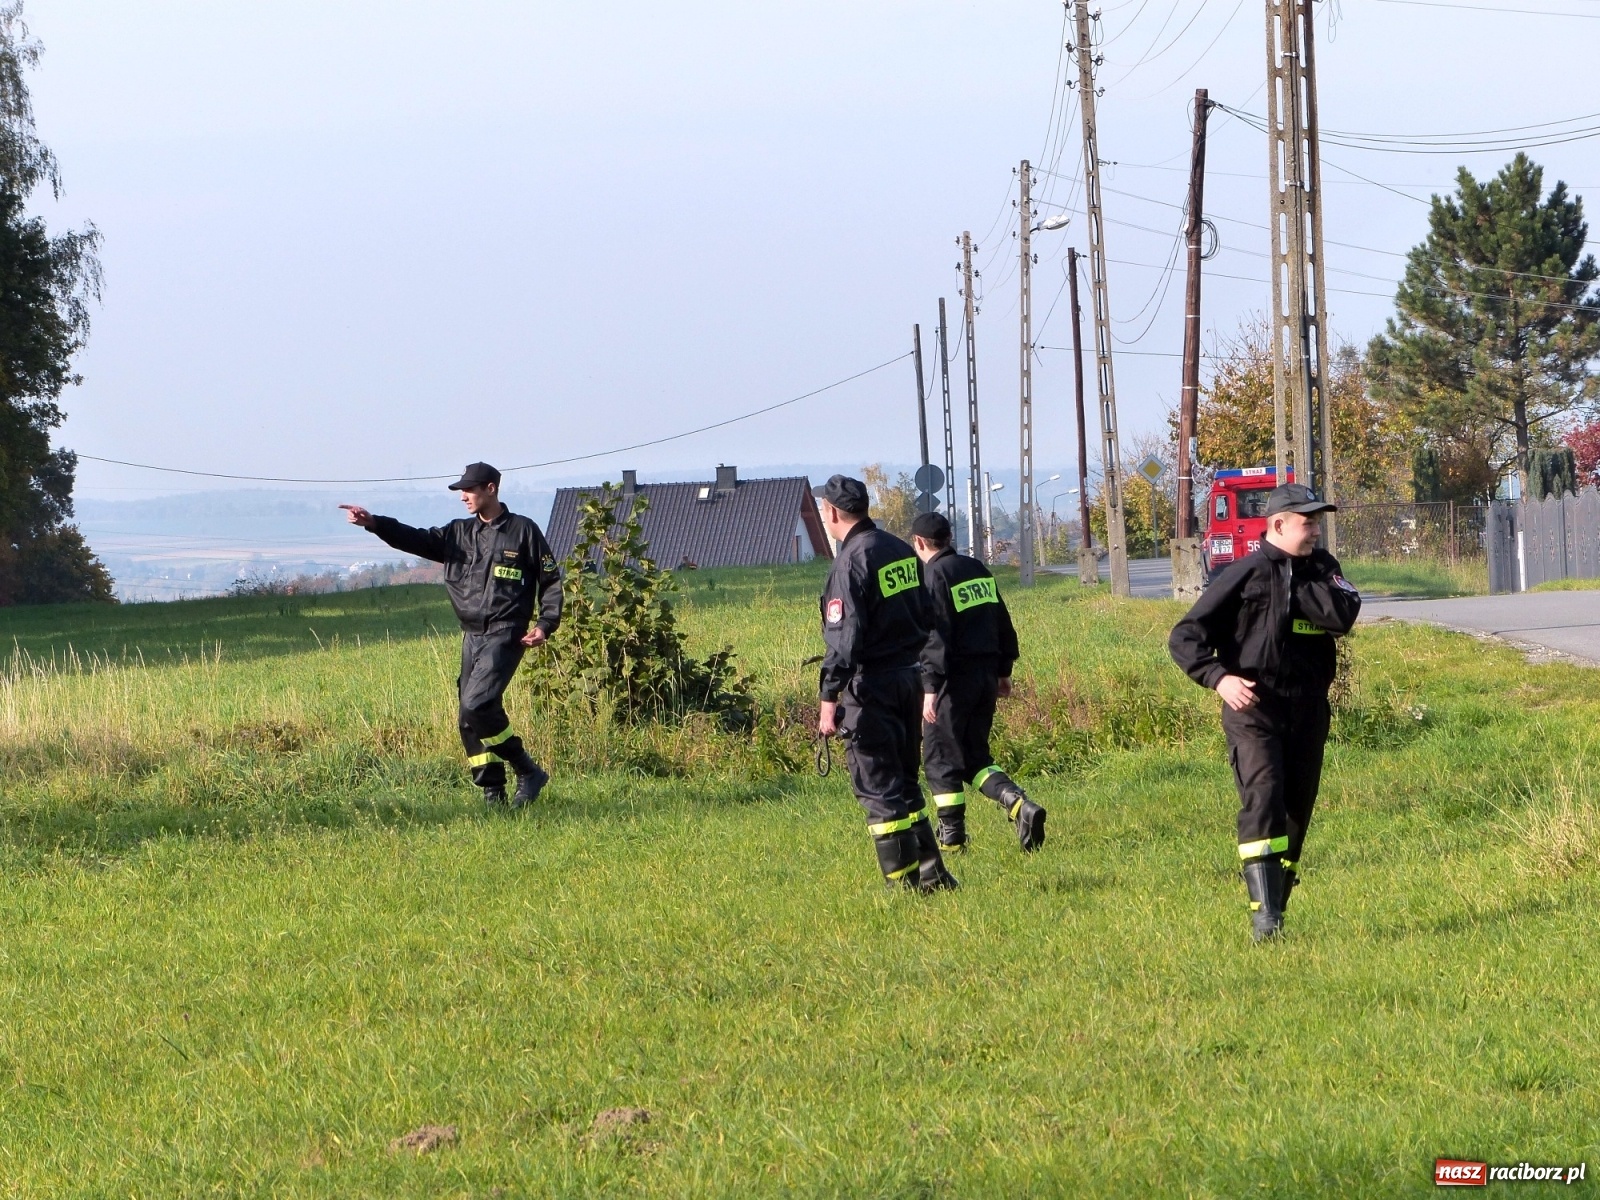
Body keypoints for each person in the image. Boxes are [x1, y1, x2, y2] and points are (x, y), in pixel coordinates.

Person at [1168, 483, 1362, 941]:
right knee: (1263, 796)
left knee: (1295, 810)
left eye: (1317, 522)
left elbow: (1341, 617)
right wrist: (1219, 678)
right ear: (1278, 524)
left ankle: (1278, 902)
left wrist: (1297, 578)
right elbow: (1185, 636)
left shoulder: (1323, 569)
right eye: (1307, 522)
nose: (1316, 530)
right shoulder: (1244, 573)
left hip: (1308, 710)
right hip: (1254, 708)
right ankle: (1265, 916)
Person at [341, 462, 563, 809]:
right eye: (462, 491)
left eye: (469, 490)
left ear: (491, 489)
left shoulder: (524, 531)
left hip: (506, 631)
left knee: (477, 705)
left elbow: (550, 582)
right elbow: (416, 538)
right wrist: (374, 523)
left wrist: (545, 624)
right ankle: (493, 793)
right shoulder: (458, 533)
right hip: (471, 635)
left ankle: (527, 770)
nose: (463, 496)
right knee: (468, 718)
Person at [814, 475, 957, 893]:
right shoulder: (899, 549)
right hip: (909, 679)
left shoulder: (849, 563)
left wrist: (828, 698)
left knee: (879, 787)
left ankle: (903, 888)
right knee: (906, 783)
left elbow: (843, 638)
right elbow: (929, 614)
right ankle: (933, 874)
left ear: (833, 512)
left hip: (870, 686)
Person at [910, 511, 1045, 854]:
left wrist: (929, 688)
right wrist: (1003, 671)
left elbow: (935, 637)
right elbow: (1002, 622)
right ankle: (1018, 803)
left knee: (940, 759)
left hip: (951, 683)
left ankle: (952, 840)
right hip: (985, 678)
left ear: (919, 542)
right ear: (948, 538)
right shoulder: (977, 569)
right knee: (973, 756)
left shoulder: (933, 576)